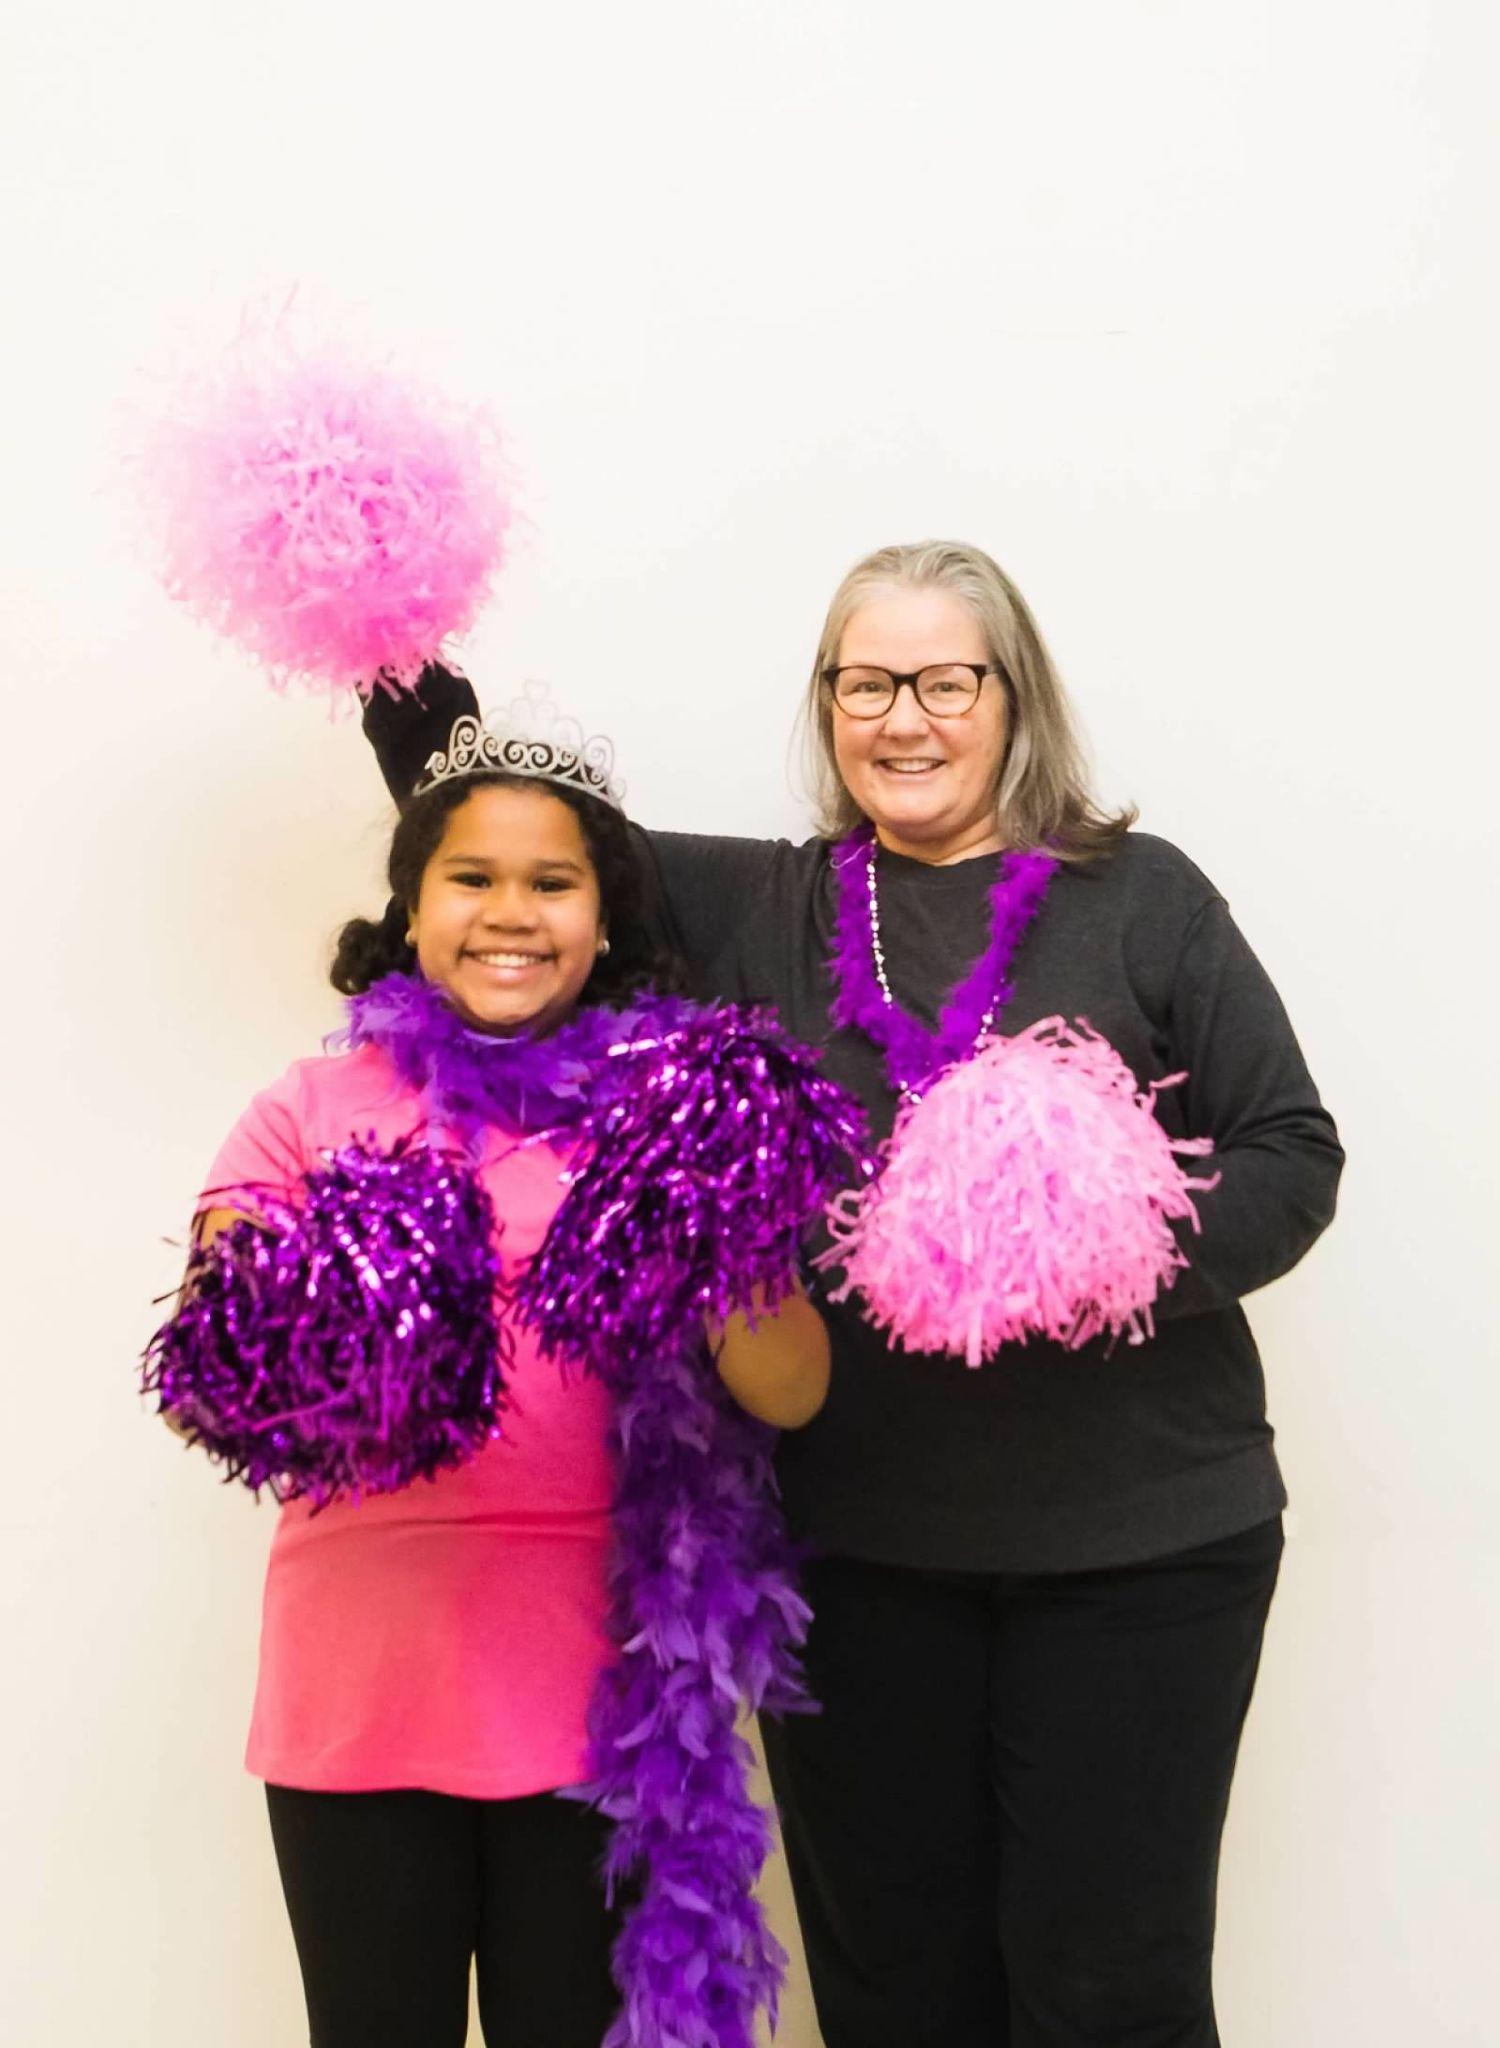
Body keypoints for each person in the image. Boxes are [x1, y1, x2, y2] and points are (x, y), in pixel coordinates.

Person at [369, 539, 1344, 2048]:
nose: (905, 718)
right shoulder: (762, 905)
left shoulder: (1144, 900)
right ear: (828, 704)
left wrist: (1090, 1242)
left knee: (1110, 1993)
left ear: (1013, 698)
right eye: (866, 683)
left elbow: (1292, 1152)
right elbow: (520, 837)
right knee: (896, 1996)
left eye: (946, 681)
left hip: (1146, 1551)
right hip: (857, 1557)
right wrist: (375, 611)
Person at [151, 722, 838, 2048]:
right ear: (412, 909)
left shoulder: (669, 1112)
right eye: (471, 878)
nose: (511, 913)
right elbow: (212, 1364)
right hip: (364, 1684)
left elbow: (793, 1393)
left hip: (601, 1695)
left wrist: (716, 1225)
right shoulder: (308, 1108)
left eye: (551, 882)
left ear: (604, 916)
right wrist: (364, 1288)